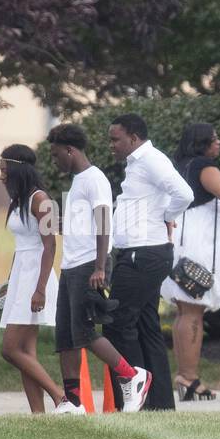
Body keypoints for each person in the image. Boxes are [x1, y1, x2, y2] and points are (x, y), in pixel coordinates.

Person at [46, 124, 152, 413]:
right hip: (70, 267)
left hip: (88, 266)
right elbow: (83, 224)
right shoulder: (78, 181)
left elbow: (105, 220)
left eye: (57, 155)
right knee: (65, 338)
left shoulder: (95, 179)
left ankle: (132, 376)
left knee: (85, 332)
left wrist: (100, 267)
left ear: (70, 150)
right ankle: (73, 401)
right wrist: (59, 224)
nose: (55, 161)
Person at [106, 113, 194, 411]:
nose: (111, 145)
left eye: (115, 139)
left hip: (142, 255)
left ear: (133, 138)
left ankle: (135, 392)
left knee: (118, 324)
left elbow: (184, 193)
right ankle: (159, 404)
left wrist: (167, 217)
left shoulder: (151, 160)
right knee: (145, 325)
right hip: (142, 253)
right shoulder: (137, 164)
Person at [160, 122, 220, 401]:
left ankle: (186, 376)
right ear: (203, 143)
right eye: (215, 138)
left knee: (183, 312)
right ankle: (188, 378)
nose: (219, 142)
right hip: (198, 245)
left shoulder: (179, 167)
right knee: (193, 312)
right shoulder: (203, 167)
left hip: (179, 241)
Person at [0, 145, 81, 414]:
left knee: (10, 349)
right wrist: (11, 282)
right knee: (26, 353)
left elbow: (50, 246)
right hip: (22, 275)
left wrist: (40, 289)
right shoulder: (18, 199)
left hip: (37, 278)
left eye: (3, 170)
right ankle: (38, 416)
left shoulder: (41, 199)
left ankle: (61, 399)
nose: (1, 176)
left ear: (17, 168)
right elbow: (21, 245)